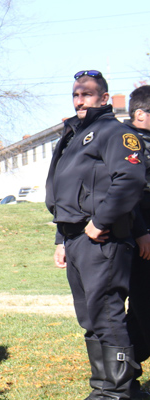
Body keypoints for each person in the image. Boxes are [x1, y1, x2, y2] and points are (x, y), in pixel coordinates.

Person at [46, 71, 146, 400]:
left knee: (106, 313)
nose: (79, 100)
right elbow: (66, 192)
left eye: (87, 94)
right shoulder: (74, 135)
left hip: (103, 239)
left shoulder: (114, 132)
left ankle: (119, 391)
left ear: (104, 99)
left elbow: (130, 179)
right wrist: (62, 239)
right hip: (75, 239)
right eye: (76, 94)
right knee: (89, 317)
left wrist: (101, 221)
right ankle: (102, 388)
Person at [126, 85, 150, 398]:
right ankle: (126, 376)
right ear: (140, 114)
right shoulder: (126, 143)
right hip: (138, 237)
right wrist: (142, 231)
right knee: (143, 304)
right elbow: (130, 192)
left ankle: (127, 374)